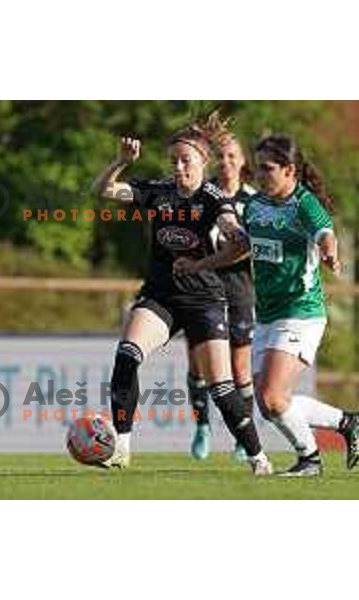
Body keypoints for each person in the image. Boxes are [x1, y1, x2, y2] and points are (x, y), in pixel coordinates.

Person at [177, 133, 359, 477]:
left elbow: (326, 233)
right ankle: (346, 421)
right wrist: (198, 265)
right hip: (266, 315)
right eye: (258, 167)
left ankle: (310, 459)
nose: (260, 174)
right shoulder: (255, 205)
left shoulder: (304, 203)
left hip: (301, 313)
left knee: (272, 398)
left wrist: (330, 254)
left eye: (267, 168)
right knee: (272, 404)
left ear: (290, 170)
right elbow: (241, 249)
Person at [92, 126, 272, 476]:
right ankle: (122, 447)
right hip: (160, 296)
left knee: (222, 388)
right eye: (172, 160)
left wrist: (227, 239)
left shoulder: (213, 198)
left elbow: (239, 240)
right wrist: (120, 162)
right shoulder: (158, 191)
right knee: (127, 356)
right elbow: (102, 190)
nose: (177, 167)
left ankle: (257, 456)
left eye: (184, 160)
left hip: (204, 299)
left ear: (203, 161)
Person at [187, 116, 256, 461]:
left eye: (233, 156)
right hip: (202, 288)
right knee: (200, 367)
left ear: (243, 161)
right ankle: (202, 426)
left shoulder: (254, 201)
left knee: (240, 369)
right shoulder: (204, 194)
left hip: (241, 291)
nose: (227, 163)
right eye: (222, 157)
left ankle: (244, 437)